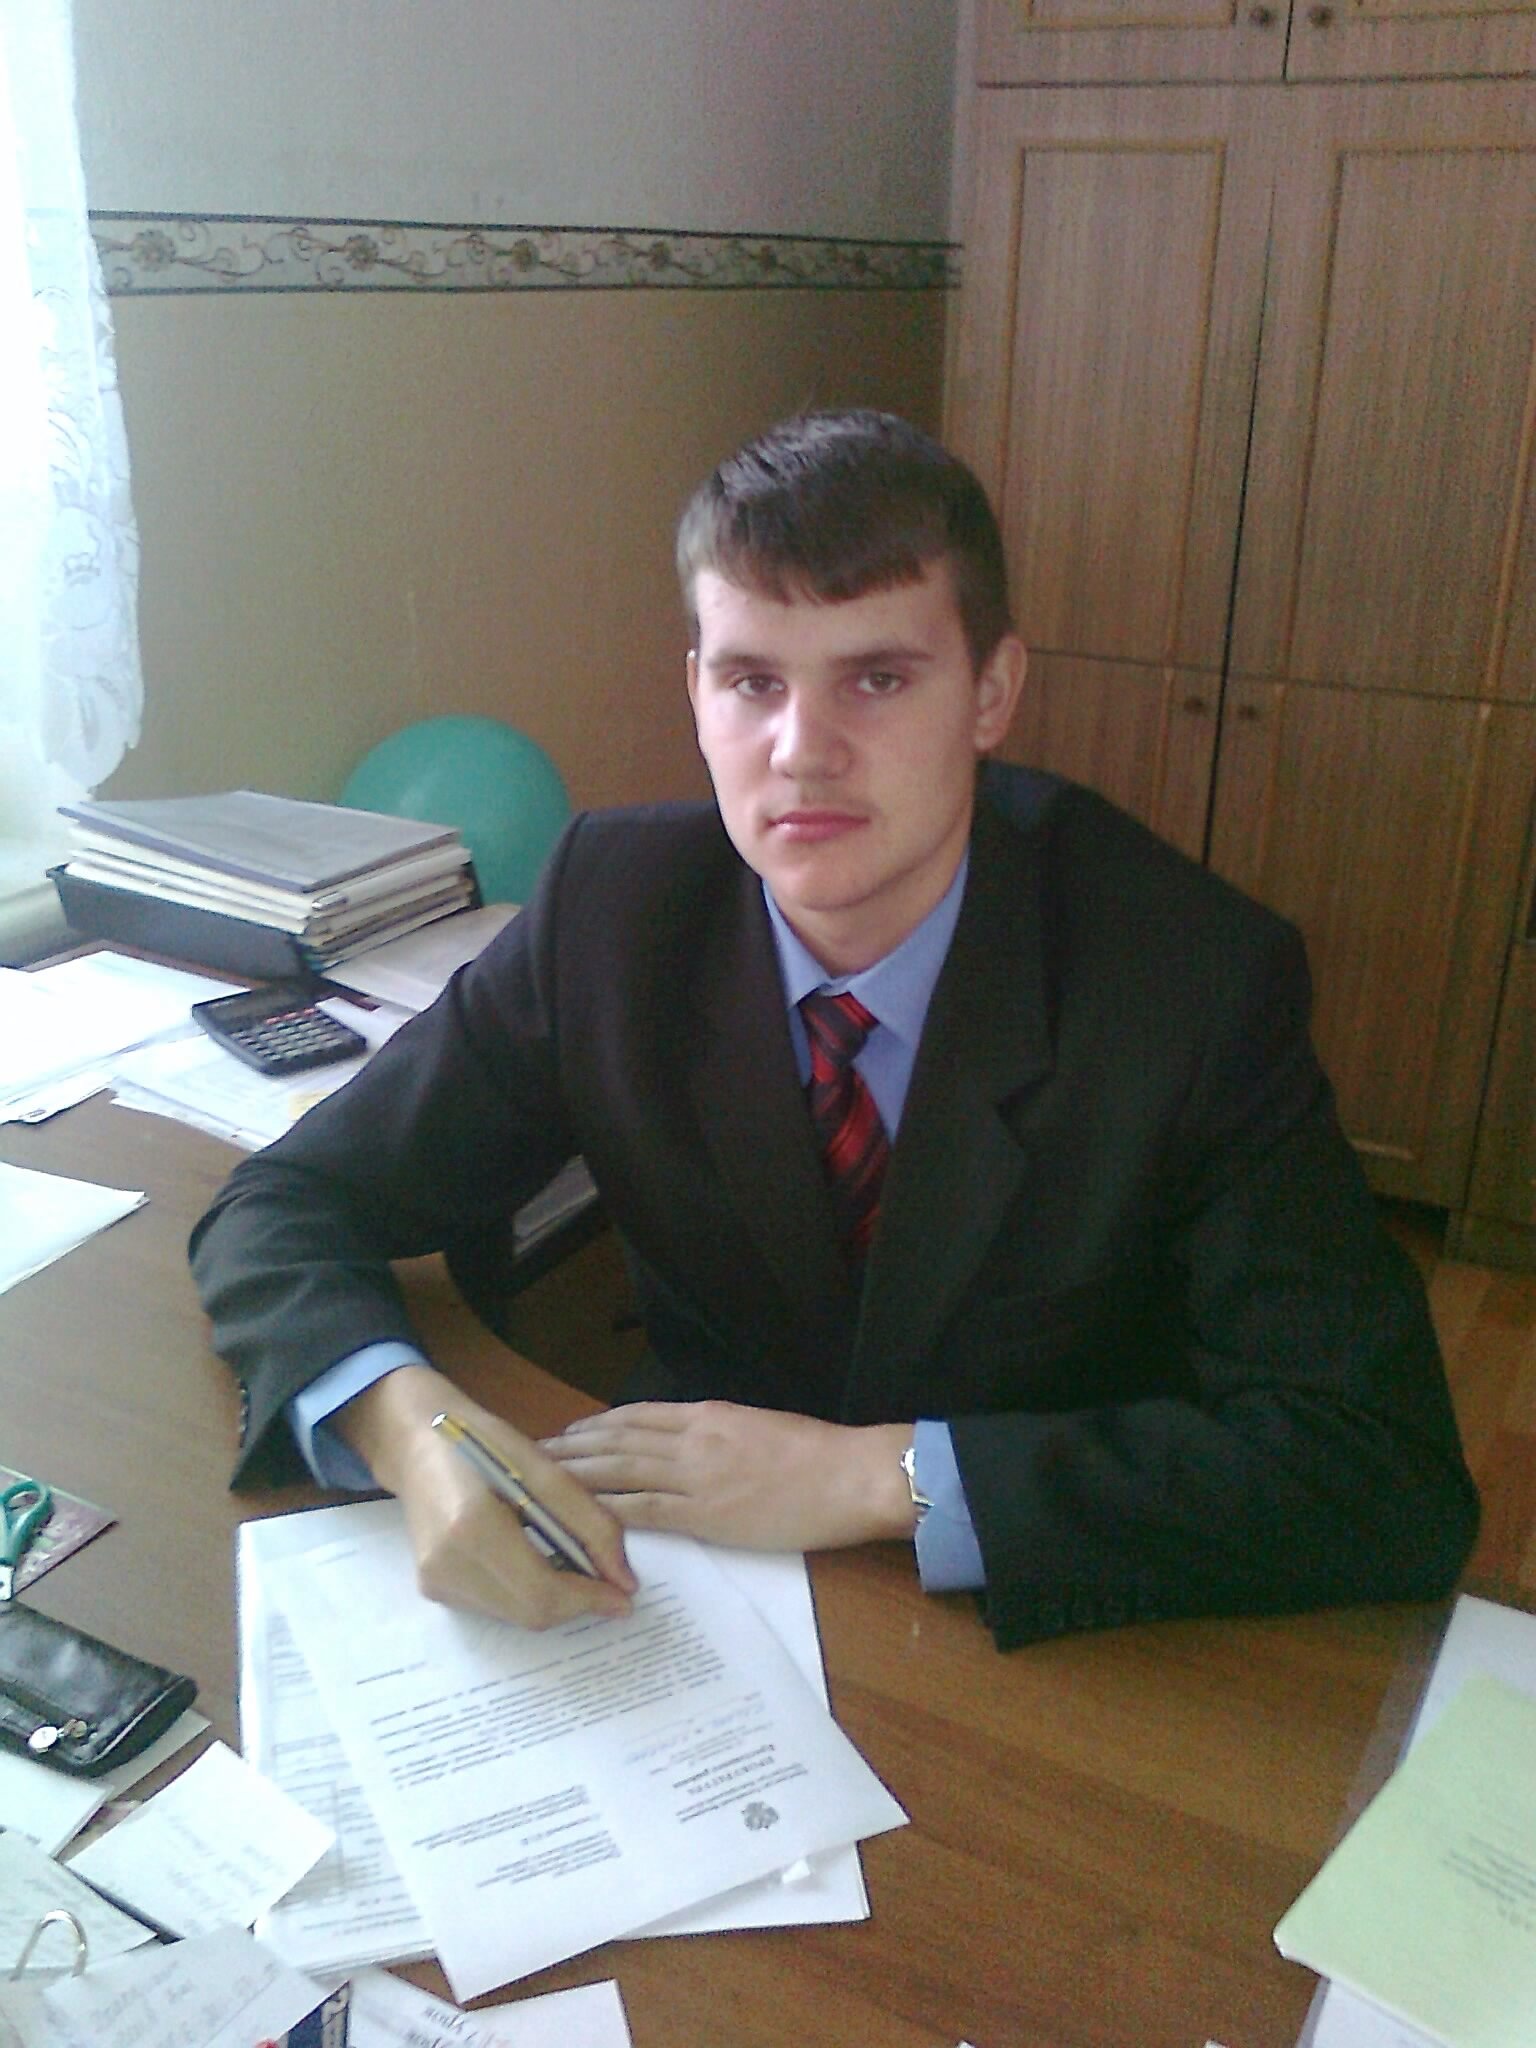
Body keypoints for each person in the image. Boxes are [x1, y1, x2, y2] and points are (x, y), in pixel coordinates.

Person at [190, 409, 1478, 1651]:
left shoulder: (1189, 980)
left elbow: (1383, 1471)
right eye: (752, 680)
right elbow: (286, 1201)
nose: (803, 751)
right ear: (697, 691)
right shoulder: (612, 910)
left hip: (1042, 1627)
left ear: (990, 691)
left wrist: (882, 1477)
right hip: (678, 1600)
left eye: (878, 678)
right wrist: (411, 1434)